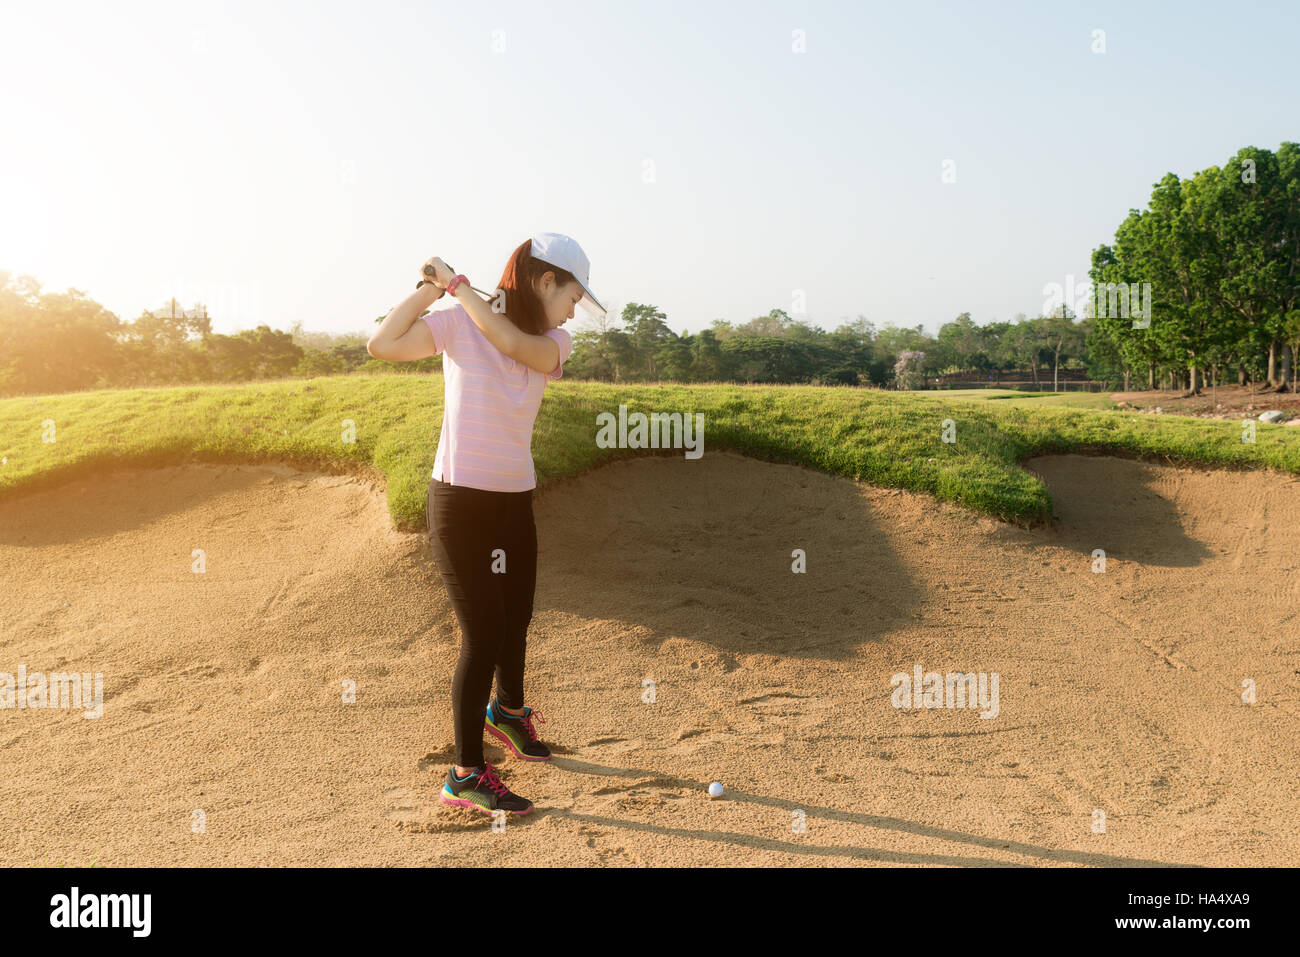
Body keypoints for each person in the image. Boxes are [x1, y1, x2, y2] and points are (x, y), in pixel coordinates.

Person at [367, 233, 605, 816]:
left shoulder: (554, 341)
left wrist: (456, 285)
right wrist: (430, 289)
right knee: (484, 633)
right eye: (573, 294)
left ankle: (508, 713)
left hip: (512, 499)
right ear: (545, 281)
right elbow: (382, 344)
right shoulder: (456, 320)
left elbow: (507, 338)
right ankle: (466, 774)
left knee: (517, 615)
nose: (576, 309)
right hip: (459, 503)